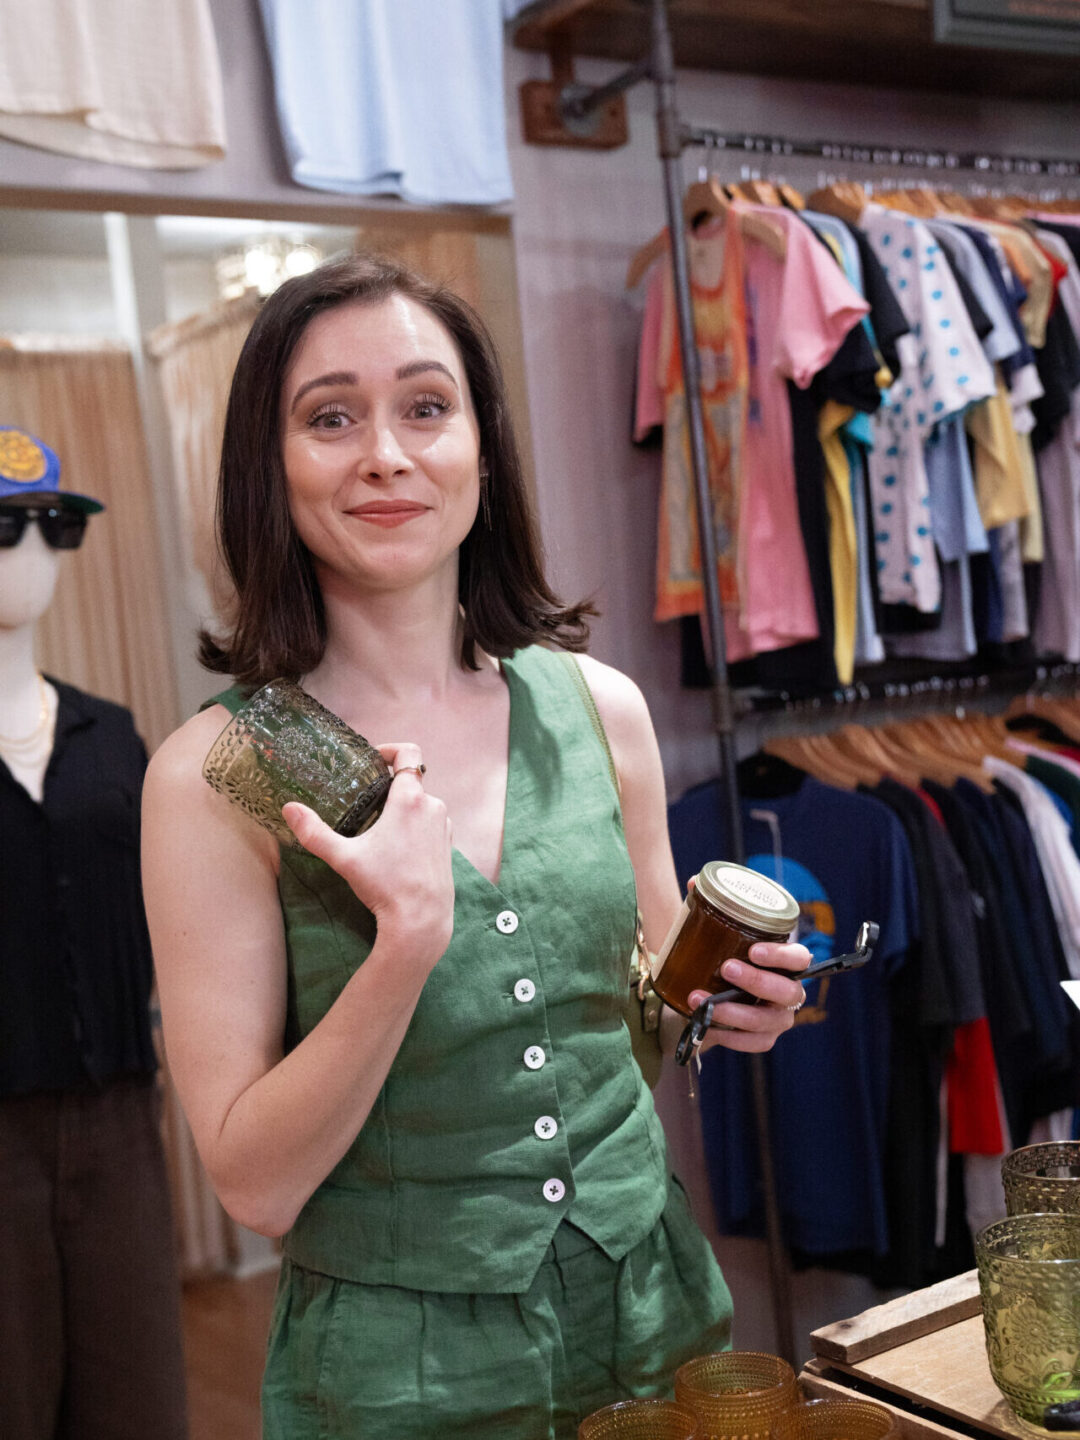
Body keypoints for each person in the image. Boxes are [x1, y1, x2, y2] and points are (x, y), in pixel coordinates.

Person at [142, 254, 810, 1439]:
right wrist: (403, 945)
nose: (386, 454)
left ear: (482, 452)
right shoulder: (219, 772)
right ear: (272, 466)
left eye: (426, 407)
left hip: (653, 1321)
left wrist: (730, 1001)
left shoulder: (599, 707)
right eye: (330, 417)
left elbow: (644, 1019)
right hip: (402, 1380)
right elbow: (252, 1183)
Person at [0, 427, 188, 1440]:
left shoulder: (111, 735)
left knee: (139, 1401)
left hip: (120, 1120)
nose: (28, 550)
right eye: (2, 524)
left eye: (52, 526)